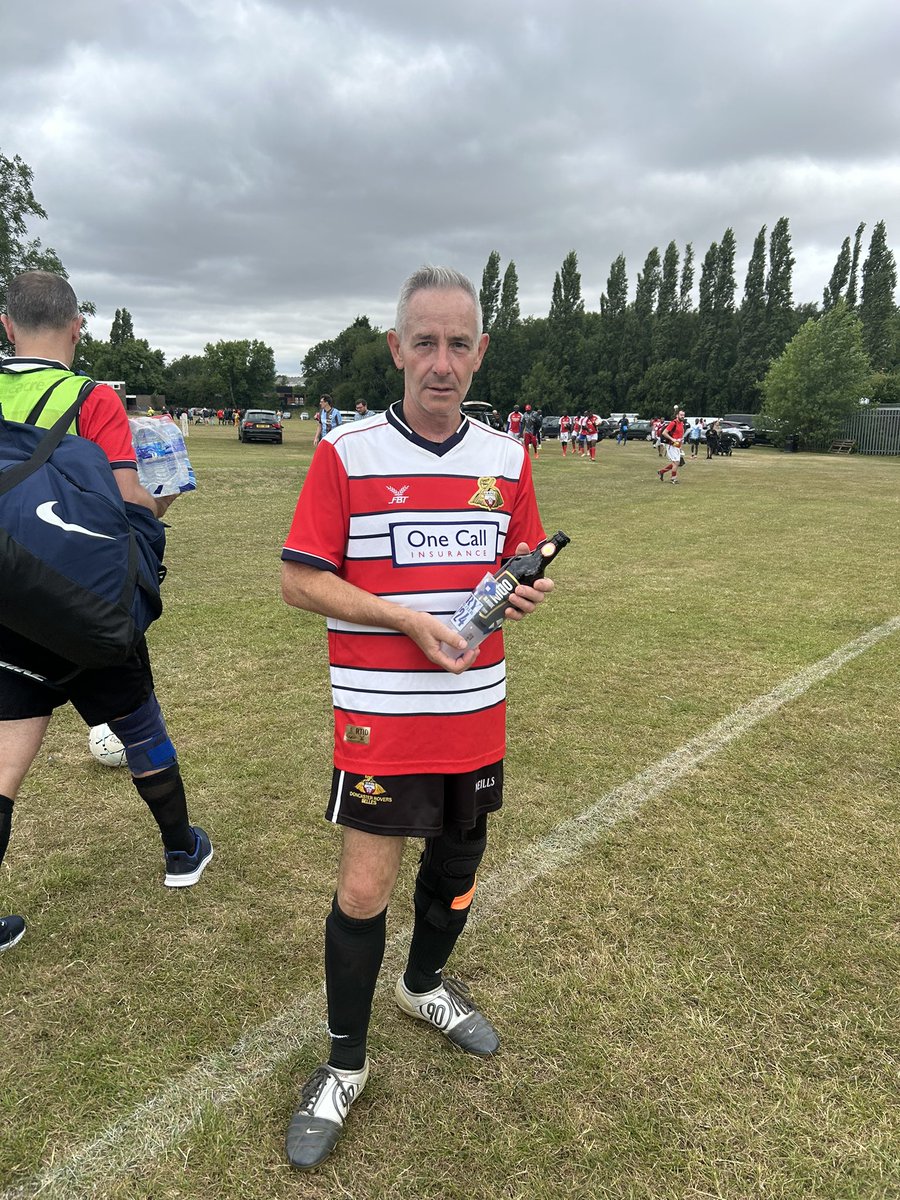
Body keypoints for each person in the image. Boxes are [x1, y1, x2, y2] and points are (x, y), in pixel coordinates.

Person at [280, 266, 555, 1171]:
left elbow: (517, 562)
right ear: (397, 349)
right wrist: (403, 617)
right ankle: (344, 1064)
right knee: (364, 890)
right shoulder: (347, 452)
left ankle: (424, 984)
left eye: (460, 343)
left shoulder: (509, 460)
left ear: (481, 353)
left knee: (458, 863)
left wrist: (524, 590)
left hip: (476, 711)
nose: (442, 362)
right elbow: (299, 580)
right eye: (425, 342)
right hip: (381, 719)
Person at [0, 272, 213, 953]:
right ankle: (182, 850)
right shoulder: (90, 399)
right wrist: (167, 496)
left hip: (8, 602)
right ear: (76, 327)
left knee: (3, 765)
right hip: (80, 602)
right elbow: (126, 508)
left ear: (7, 327)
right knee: (139, 721)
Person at [657, 408, 686, 483]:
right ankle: (673, 479)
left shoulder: (682, 423)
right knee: (676, 462)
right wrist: (672, 439)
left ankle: (662, 471)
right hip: (671, 445)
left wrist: (680, 446)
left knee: (676, 463)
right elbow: (664, 433)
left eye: (683, 415)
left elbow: (680, 436)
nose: (682, 416)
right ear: (677, 415)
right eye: (681, 415)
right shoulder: (673, 423)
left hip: (677, 445)